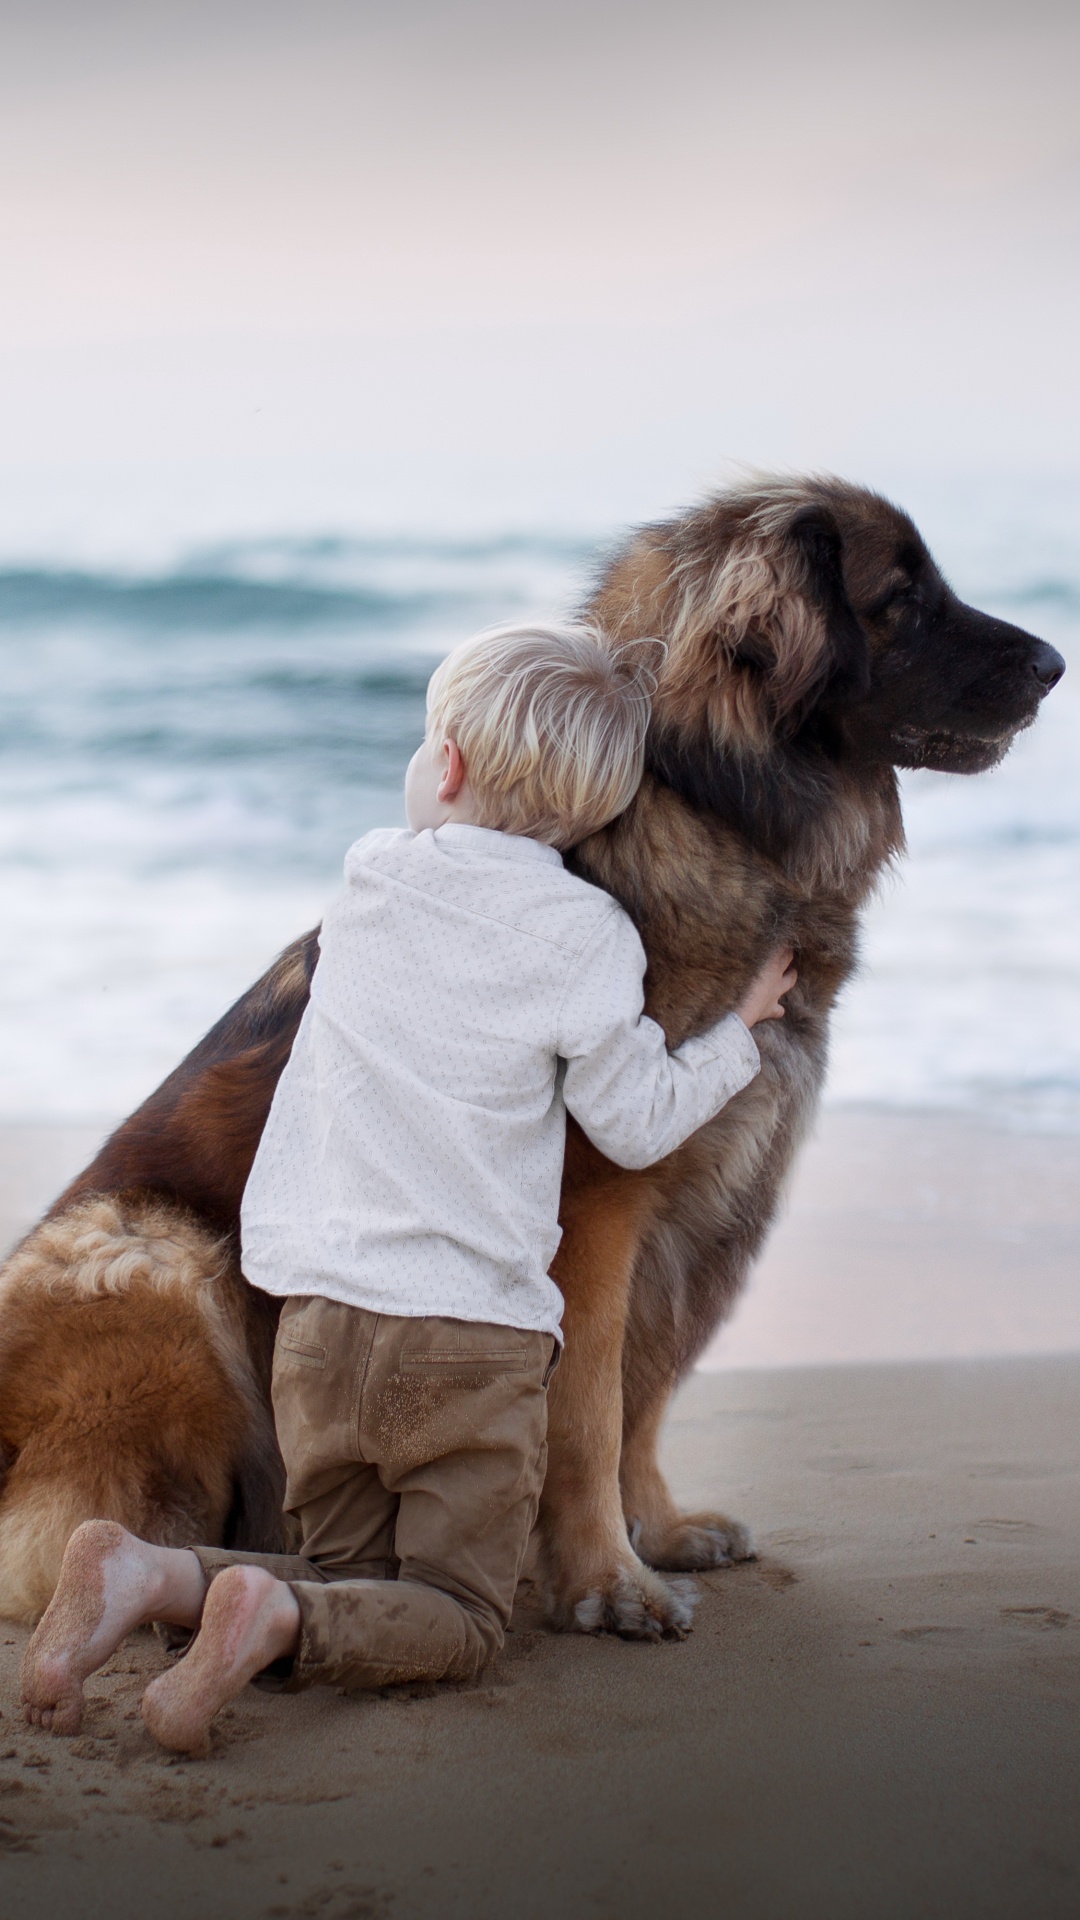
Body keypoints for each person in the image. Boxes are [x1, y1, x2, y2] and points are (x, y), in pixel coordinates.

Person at [22, 621, 796, 1754]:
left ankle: (154, 1575)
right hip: (465, 1349)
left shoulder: (368, 881)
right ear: (596, 814)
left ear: (446, 766)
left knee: (346, 1565)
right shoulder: (590, 940)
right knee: (460, 1613)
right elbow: (631, 1125)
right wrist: (737, 1031)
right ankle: (266, 1616)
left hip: (317, 1334)